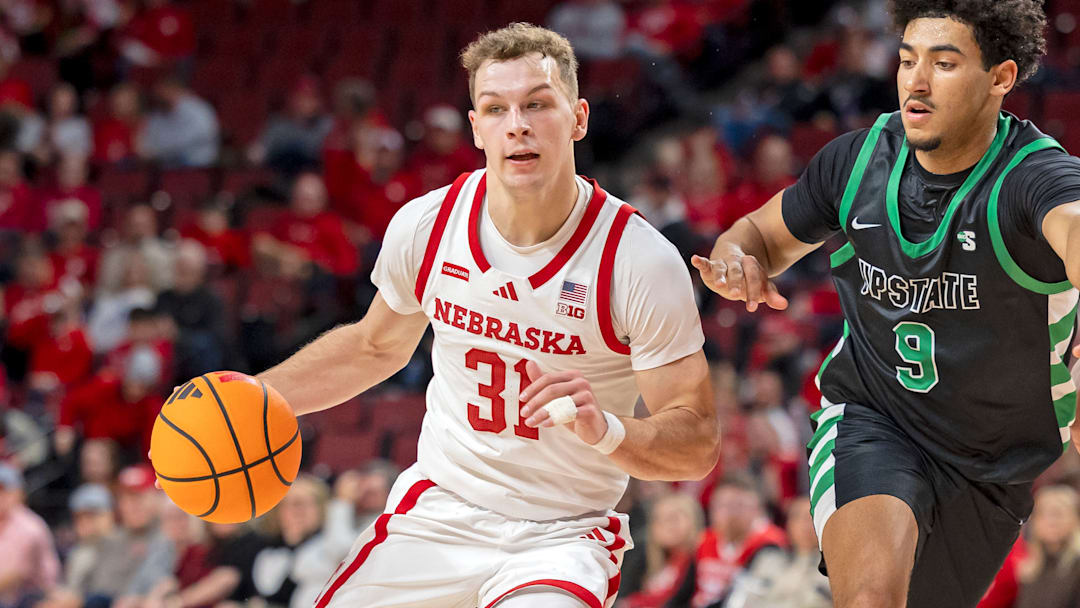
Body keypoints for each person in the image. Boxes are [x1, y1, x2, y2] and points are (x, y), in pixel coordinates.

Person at [255, 22, 717, 608]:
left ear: (578, 118)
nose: (517, 124)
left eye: (537, 104)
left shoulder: (639, 259)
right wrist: (252, 392)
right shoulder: (427, 225)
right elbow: (374, 347)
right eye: (496, 108)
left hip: (563, 534)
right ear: (477, 128)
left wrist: (608, 430)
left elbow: (697, 442)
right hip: (439, 512)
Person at [692, 1, 1080, 607]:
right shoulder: (858, 161)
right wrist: (740, 260)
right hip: (876, 419)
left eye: (944, 64)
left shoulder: (1035, 177)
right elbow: (758, 236)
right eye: (906, 61)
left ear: (1001, 78)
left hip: (993, 464)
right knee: (870, 599)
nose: (916, 82)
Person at [1015, 485, 1080, 608]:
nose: (1050, 521)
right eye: (1042, 514)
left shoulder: (1076, 568)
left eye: (1058, 514)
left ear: (1075, 519)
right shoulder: (1029, 569)